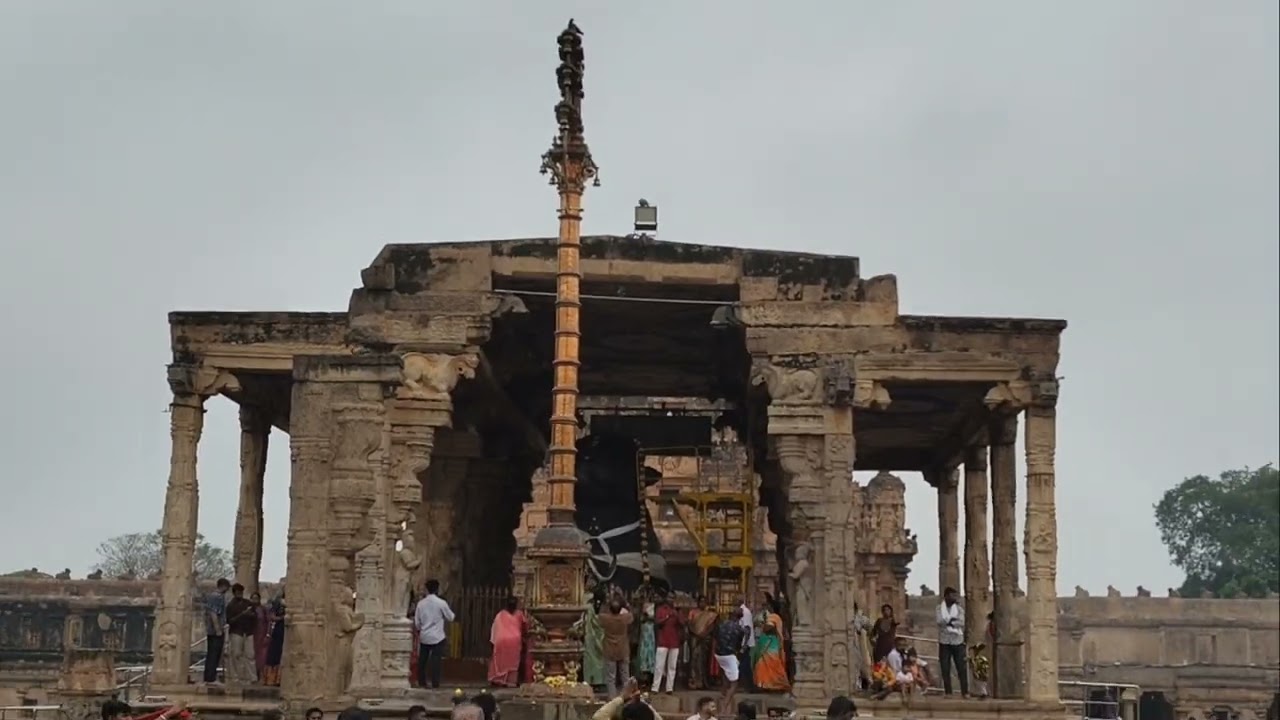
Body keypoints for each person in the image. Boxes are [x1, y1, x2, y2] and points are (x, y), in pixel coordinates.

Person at [414, 579, 456, 689]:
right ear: (437, 589)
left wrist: (421, 628)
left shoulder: (420, 604)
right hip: (438, 636)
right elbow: (451, 617)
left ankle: (422, 681)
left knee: (423, 660)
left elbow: (417, 622)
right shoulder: (441, 603)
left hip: (424, 635)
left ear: (426, 589)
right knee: (436, 660)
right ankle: (435, 683)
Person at [935, 586, 968, 696]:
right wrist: (953, 621)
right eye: (952, 595)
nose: (954, 597)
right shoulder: (939, 608)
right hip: (944, 641)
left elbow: (961, 622)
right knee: (945, 667)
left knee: (961, 667)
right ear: (946, 596)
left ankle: (965, 691)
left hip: (958, 641)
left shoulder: (959, 609)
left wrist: (949, 622)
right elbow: (939, 621)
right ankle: (948, 692)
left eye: (955, 595)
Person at [599, 595, 635, 697]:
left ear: (610, 609)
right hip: (623, 649)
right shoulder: (624, 618)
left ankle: (612, 699)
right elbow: (632, 614)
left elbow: (600, 614)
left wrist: (606, 602)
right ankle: (626, 697)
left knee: (611, 677)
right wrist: (625, 602)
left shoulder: (606, 619)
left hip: (610, 650)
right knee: (625, 676)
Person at [750, 598, 788, 691]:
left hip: (770, 643)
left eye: (767, 605)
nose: (765, 607)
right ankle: (766, 685)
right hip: (769, 642)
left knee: (770, 664)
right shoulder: (774, 617)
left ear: (771, 607)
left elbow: (768, 628)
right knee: (765, 665)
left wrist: (762, 625)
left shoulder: (773, 617)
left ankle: (774, 684)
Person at [712, 607, 747, 710]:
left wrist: (714, 651)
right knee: (734, 684)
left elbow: (715, 638)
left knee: (725, 671)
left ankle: (723, 692)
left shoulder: (721, 624)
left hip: (718, 654)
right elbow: (738, 645)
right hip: (729, 655)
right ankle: (724, 706)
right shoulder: (740, 629)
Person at [488, 596, 525, 687]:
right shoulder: (519, 614)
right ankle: (511, 681)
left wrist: (493, 641)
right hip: (514, 640)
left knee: (500, 660)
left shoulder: (500, 615)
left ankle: (498, 679)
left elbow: (495, 628)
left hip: (501, 640)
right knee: (513, 661)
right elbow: (525, 625)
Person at [651, 591, 683, 694]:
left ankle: (669, 688)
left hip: (674, 642)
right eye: (669, 597)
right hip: (663, 641)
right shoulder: (661, 609)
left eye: (673, 598)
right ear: (666, 598)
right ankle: (655, 688)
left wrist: (677, 614)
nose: (671, 600)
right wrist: (668, 617)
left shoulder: (677, 611)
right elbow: (657, 623)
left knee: (672, 666)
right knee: (659, 666)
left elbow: (682, 623)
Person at [225, 583, 257, 684]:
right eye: (238, 592)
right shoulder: (230, 606)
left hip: (248, 631)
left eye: (241, 592)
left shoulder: (248, 603)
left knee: (250, 655)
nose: (240, 594)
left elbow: (255, 616)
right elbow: (230, 621)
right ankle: (236, 677)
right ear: (234, 593)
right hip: (236, 631)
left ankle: (252, 677)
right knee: (236, 655)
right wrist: (242, 614)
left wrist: (250, 615)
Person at [686, 595, 718, 690]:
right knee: (694, 659)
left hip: (705, 639)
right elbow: (689, 625)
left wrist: (703, 634)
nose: (702, 604)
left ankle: (703, 682)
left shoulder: (710, 615)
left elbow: (711, 626)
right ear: (698, 602)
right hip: (694, 638)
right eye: (701, 601)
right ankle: (693, 682)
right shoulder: (692, 613)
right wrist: (696, 634)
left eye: (704, 602)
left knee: (703, 660)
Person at [203, 578, 231, 683]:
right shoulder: (217, 597)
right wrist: (218, 629)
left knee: (212, 654)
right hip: (215, 630)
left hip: (211, 630)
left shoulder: (212, 596)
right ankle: (211, 677)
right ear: (223, 586)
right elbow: (214, 613)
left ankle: (209, 676)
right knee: (214, 654)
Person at [581, 587, 607, 689]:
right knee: (599, 661)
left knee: (590, 660)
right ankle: (599, 681)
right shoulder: (605, 608)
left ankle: (590, 680)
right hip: (600, 637)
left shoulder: (588, 608)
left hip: (590, 636)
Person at [262, 593, 287, 686]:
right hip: (279, 630)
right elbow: (272, 617)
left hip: (286, 630)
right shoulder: (278, 602)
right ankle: (272, 679)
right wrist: (282, 618)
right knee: (275, 654)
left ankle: (279, 679)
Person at [736, 596, 755, 691]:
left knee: (745, 665)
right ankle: (747, 685)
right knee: (744, 664)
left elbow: (747, 629)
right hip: (742, 642)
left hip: (745, 643)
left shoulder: (745, 612)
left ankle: (748, 685)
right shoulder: (741, 611)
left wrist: (744, 645)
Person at [251, 592, 270, 680]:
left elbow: (268, 622)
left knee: (262, 655)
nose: (255, 600)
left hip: (262, 633)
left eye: (256, 598)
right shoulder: (250, 609)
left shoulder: (263, 609)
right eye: (253, 598)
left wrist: (268, 634)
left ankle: (261, 674)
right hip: (252, 634)